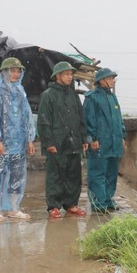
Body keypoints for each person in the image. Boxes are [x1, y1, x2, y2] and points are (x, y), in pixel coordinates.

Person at [0, 57, 36, 221]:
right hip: (0, 144)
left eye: (18, 71)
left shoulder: (20, 93)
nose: (16, 74)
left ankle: (14, 208)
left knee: (17, 176)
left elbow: (27, 116)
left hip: (18, 144)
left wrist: (30, 139)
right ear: (4, 72)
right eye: (13, 70)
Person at [37, 61, 88, 219]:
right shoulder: (48, 96)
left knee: (74, 175)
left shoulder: (73, 95)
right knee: (55, 176)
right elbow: (43, 122)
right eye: (66, 74)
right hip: (57, 144)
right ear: (58, 76)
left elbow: (81, 118)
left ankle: (71, 204)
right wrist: (49, 143)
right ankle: (54, 206)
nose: (70, 77)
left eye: (71, 74)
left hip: (74, 143)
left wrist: (83, 138)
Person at [83, 68, 126, 212]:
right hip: (99, 143)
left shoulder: (112, 97)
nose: (113, 81)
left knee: (111, 173)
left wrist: (123, 136)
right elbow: (88, 120)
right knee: (97, 173)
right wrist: (92, 139)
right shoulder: (92, 97)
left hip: (114, 142)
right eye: (110, 78)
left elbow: (119, 119)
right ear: (102, 80)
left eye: (114, 78)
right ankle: (97, 203)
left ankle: (108, 200)